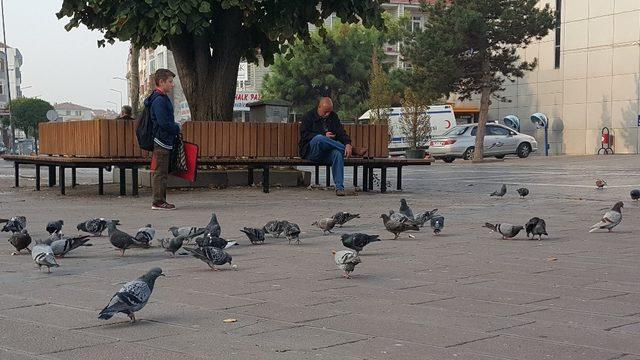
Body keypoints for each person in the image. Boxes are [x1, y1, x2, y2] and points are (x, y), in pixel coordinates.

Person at [298, 97, 367, 196]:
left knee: (337, 154)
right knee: (319, 138)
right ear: (319, 107)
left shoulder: (333, 117)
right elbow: (305, 135)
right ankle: (354, 150)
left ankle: (339, 188)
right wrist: (323, 134)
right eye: (325, 111)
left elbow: (340, 132)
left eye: (330, 111)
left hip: (327, 152)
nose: (328, 114)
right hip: (311, 151)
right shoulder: (308, 117)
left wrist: (347, 143)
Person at [146, 68, 180, 210]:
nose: (172, 85)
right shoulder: (159, 100)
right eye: (170, 82)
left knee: (162, 172)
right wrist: (176, 128)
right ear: (161, 82)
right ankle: (158, 201)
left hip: (163, 139)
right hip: (161, 140)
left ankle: (160, 200)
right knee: (160, 173)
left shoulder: (159, 98)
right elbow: (163, 122)